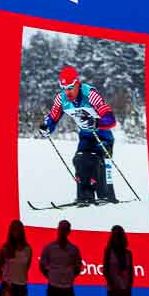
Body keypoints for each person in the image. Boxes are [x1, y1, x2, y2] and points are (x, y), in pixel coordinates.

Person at [40, 65, 119, 205]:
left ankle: (104, 195)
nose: (67, 92)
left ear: (77, 83)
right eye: (64, 88)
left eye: (70, 87)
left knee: (96, 160)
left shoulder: (90, 94)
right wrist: (46, 127)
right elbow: (52, 118)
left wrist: (95, 122)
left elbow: (111, 119)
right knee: (79, 160)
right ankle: (84, 196)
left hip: (103, 136)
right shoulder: (61, 99)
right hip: (86, 136)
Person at [103, 225, 135, 296]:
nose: (118, 238)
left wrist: (128, 288)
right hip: (113, 291)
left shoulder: (128, 253)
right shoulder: (108, 252)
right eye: (115, 235)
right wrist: (113, 286)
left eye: (120, 235)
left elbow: (131, 271)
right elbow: (105, 271)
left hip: (125, 291)